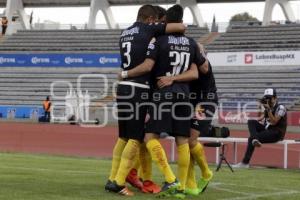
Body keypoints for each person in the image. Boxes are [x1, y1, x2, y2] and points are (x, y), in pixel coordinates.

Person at [123, 5, 208, 198]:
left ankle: (171, 180)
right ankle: (183, 187)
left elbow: (149, 65)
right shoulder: (191, 43)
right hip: (184, 96)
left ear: (166, 22)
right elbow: (201, 70)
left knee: (149, 137)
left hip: (163, 94)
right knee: (182, 141)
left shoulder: (159, 41)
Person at [105, 4, 185, 196]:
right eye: (155, 20)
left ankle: (112, 178)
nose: (157, 23)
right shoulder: (149, 28)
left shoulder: (124, 32)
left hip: (123, 90)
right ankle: (118, 182)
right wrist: (163, 25)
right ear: (149, 19)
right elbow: (181, 27)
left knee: (123, 136)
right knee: (135, 137)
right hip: (137, 89)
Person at [185, 43, 217, 195]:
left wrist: (198, 51)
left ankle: (206, 172)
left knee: (190, 140)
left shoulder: (204, 64)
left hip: (205, 103)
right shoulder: (188, 64)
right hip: (192, 103)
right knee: (185, 142)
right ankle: (189, 183)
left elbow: (203, 68)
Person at [233, 88, 287, 168]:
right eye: (266, 98)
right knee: (251, 122)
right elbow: (260, 119)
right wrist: (260, 107)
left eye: (270, 98)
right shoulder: (267, 107)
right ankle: (255, 139)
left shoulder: (281, 108)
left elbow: (274, 121)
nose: (268, 100)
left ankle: (245, 163)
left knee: (251, 139)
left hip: (276, 133)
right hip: (268, 130)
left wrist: (268, 109)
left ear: (275, 98)